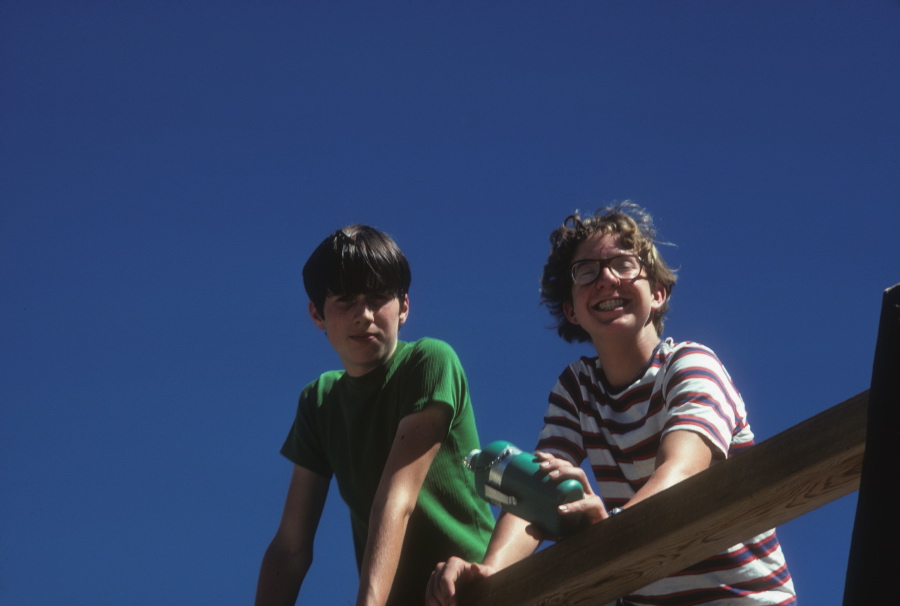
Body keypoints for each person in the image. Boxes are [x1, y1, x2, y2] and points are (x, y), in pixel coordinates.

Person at [426, 203, 796, 605]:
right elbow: (535, 489)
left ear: (657, 293)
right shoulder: (577, 389)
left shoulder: (689, 365)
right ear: (571, 310)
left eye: (622, 264)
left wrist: (612, 529)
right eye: (586, 271)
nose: (605, 278)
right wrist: (492, 571)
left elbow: (683, 470)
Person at [256, 225, 495, 606]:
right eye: (346, 300)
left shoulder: (429, 360)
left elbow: (397, 498)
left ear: (403, 307)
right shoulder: (319, 402)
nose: (363, 315)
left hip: (475, 588)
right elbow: (291, 546)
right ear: (317, 314)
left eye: (379, 297)